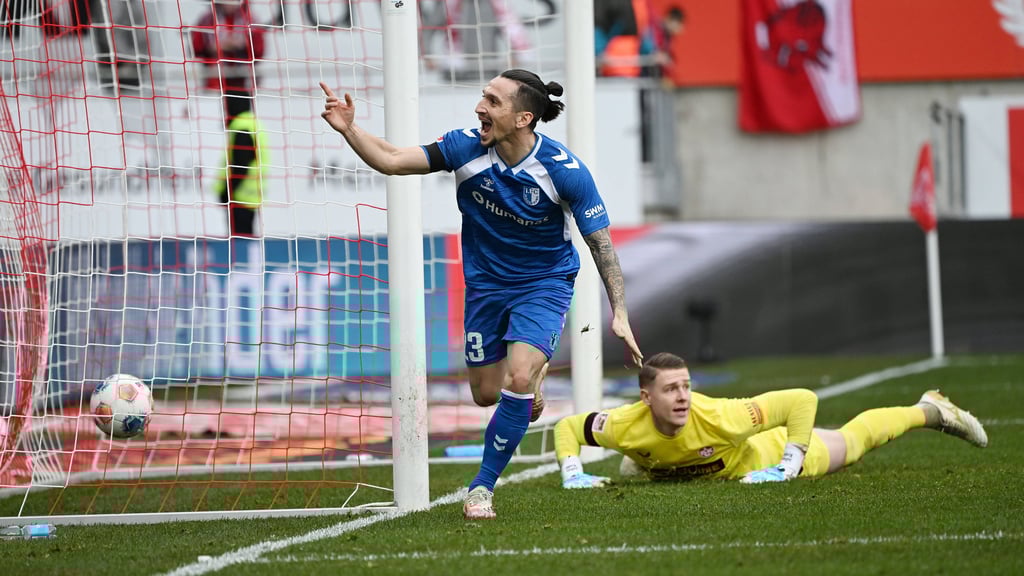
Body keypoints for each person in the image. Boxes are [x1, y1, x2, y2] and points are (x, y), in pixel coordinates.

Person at [319, 69, 644, 519]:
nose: (479, 108)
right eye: (482, 98)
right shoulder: (464, 147)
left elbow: (600, 243)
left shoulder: (564, 171)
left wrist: (620, 312)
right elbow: (393, 159)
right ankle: (531, 379)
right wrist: (350, 128)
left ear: (523, 117)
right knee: (486, 394)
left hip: (543, 283)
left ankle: (481, 488)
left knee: (518, 376)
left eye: (492, 101)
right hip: (486, 286)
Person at [555, 352, 988, 488]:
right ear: (646, 398)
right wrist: (572, 472)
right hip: (671, 455)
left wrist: (789, 461)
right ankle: (648, 460)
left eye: (686, 385)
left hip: (762, 452)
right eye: (671, 390)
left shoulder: (722, 417)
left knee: (853, 442)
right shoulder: (623, 424)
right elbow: (568, 428)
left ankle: (931, 410)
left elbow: (801, 400)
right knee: (641, 458)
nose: (683, 395)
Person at [214, 92, 267, 237]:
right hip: (249, 196)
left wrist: (227, 192)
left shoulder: (241, 126)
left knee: (240, 243)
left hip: (239, 197)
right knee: (246, 241)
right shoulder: (253, 124)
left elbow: (240, 164)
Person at [190, 0, 266, 96]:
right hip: (214, 82)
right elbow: (195, 49)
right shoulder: (207, 20)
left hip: (243, 83)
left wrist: (243, 45)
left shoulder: (251, 20)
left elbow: (259, 52)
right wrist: (215, 47)